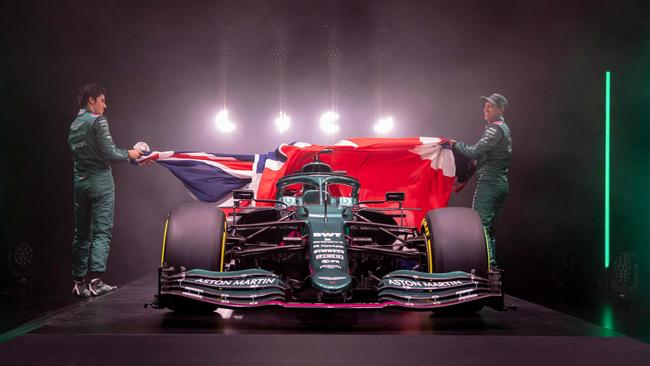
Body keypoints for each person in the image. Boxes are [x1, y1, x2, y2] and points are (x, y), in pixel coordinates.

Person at [68, 83, 142, 297]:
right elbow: (110, 153)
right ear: (91, 99)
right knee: (102, 232)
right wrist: (130, 153)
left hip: (80, 183)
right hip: (100, 182)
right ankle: (97, 281)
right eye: (102, 100)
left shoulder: (74, 124)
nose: (105, 105)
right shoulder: (98, 121)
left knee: (81, 234)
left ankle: (78, 283)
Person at [451, 93, 512, 269]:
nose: (485, 109)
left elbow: (475, 151)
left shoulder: (495, 128)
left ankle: (488, 269)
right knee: (489, 228)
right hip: (500, 182)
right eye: (485, 106)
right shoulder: (504, 128)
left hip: (490, 182)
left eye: (490, 106)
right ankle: (492, 270)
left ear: (501, 109)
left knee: (480, 225)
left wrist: (456, 145)